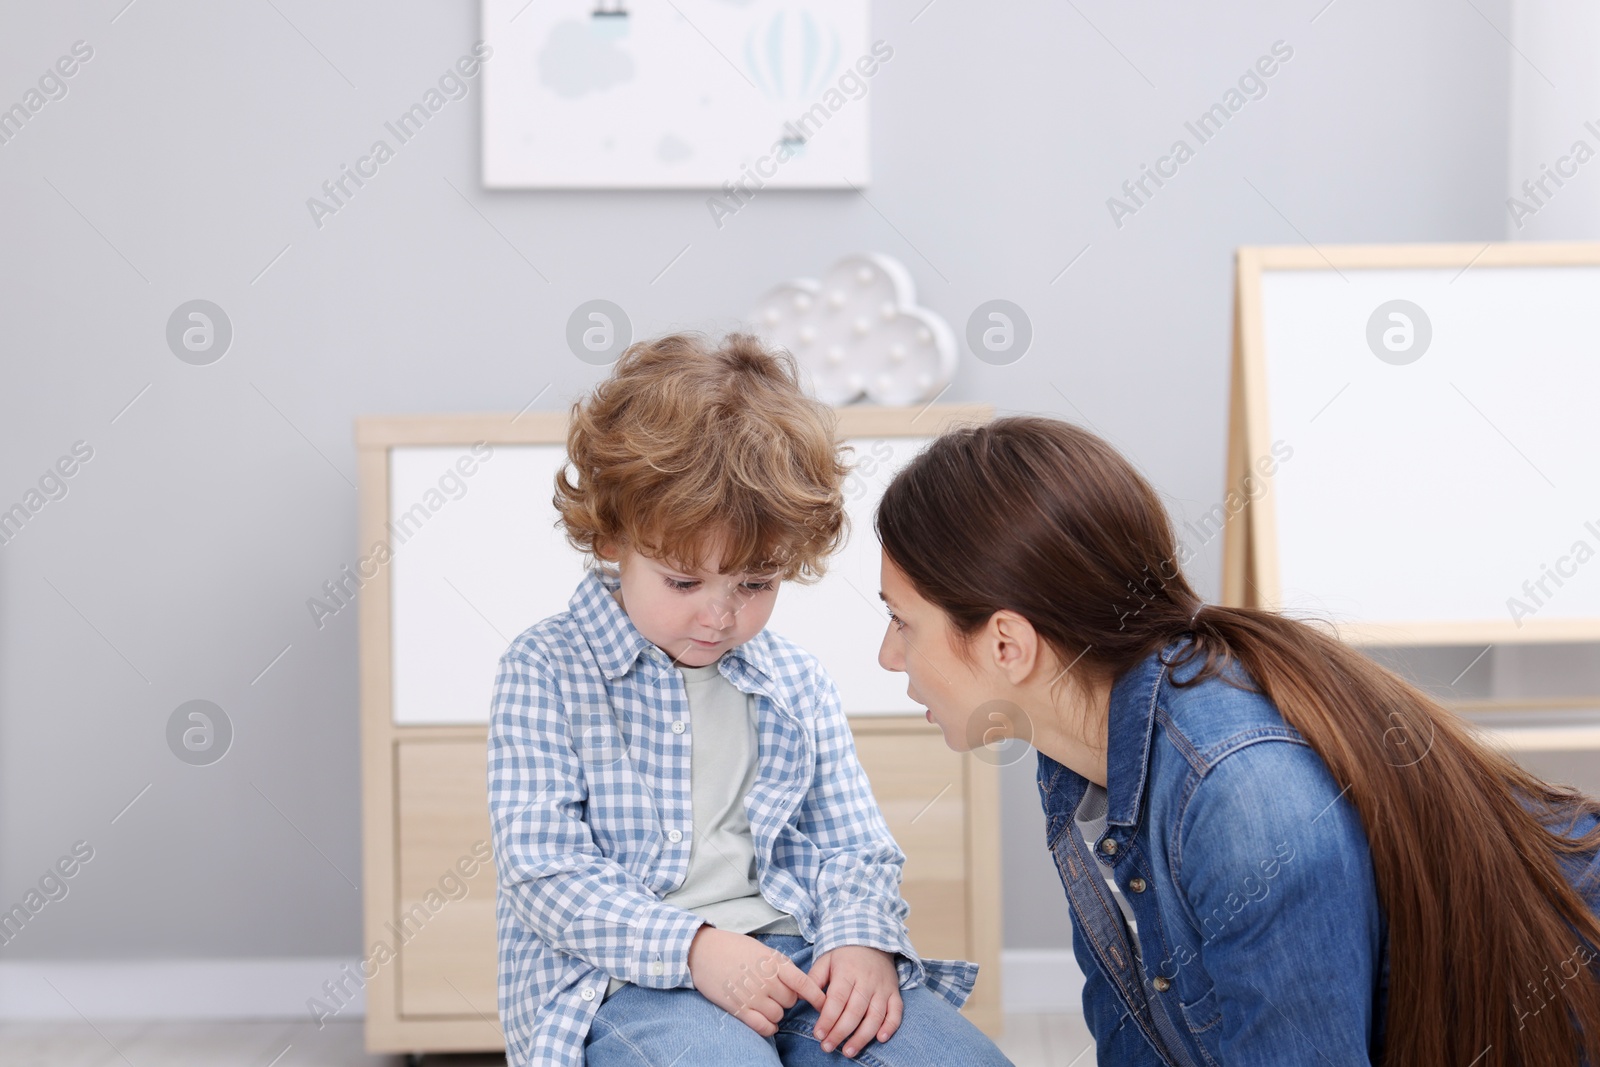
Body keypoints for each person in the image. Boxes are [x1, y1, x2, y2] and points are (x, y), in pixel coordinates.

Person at [870, 413, 1600, 1066]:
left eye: (902, 620)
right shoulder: (1078, 763)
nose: (887, 656)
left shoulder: (1246, 800)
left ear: (1007, 644)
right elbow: (1137, 1039)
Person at [486, 333, 1014, 1067]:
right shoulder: (544, 669)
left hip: (794, 954)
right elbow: (546, 870)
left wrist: (860, 939)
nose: (720, 615)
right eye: (683, 581)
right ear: (612, 538)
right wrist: (697, 948)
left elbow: (854, 844)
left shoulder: (793, 679)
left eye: (755, 584)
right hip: (620, 981)